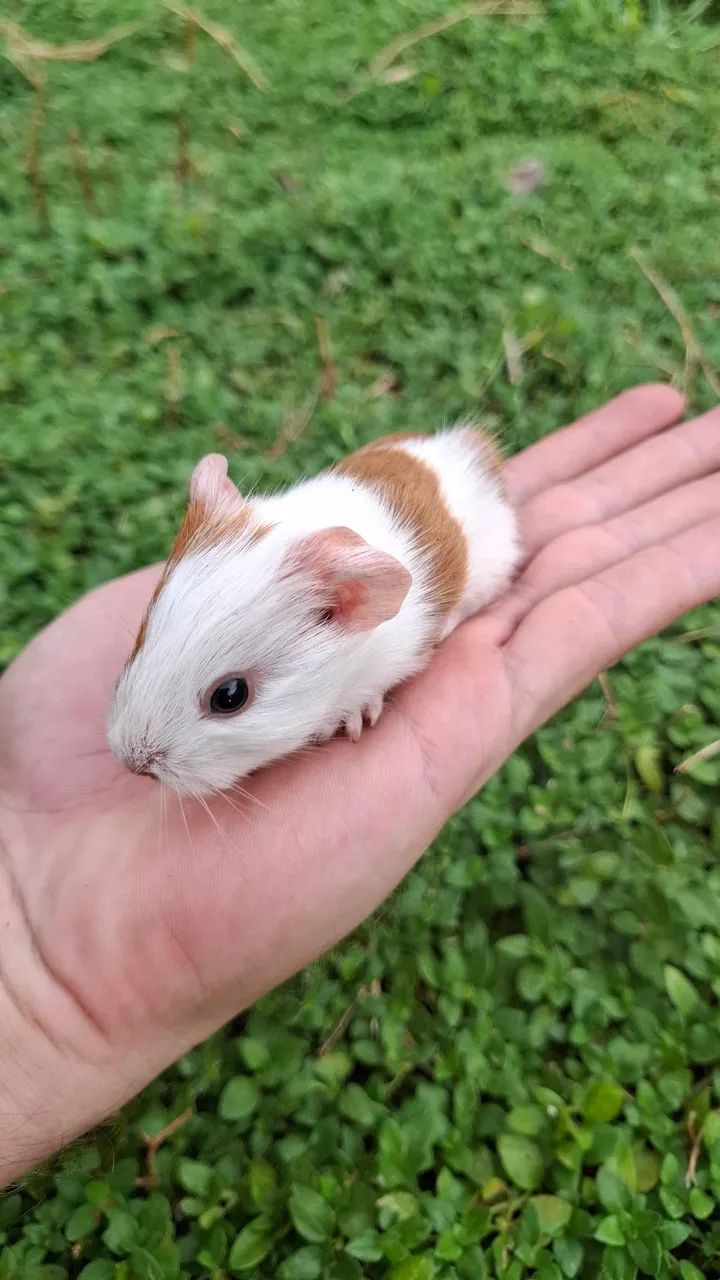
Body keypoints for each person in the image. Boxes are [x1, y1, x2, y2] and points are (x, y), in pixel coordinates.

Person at [0, 384, 718, 1187]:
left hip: (455, 496)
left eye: (228, 697)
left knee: (482, 572)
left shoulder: (374, 606)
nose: (137, 753)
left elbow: (424, 612)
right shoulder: (252, 543)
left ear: (349, 606)